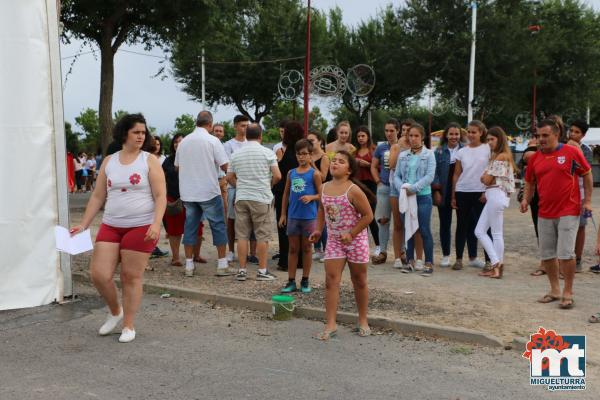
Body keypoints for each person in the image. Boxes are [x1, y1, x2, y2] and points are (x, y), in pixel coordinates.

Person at [70, 113, 166, 343]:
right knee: (99, 275)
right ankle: (115, 311)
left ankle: (128, 325)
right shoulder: (109, 161)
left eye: (144, 132)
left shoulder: (149, 160)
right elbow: (97, 196)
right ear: (125, 133)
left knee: (130, 276)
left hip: (141, 226)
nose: (141, 136)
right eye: (136, 132)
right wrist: (84, 224)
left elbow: (161, 195)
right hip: (111, 225)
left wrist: (155, 223)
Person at [520, 118, 592, 309]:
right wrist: (526, 199)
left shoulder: (571, 152)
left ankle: (568, 292)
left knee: (566, 254)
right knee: (548, 254)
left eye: (545, 135)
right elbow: (529, 181)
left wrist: (588, 201)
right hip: (544, 212)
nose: (541, 139)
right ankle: (554, 290)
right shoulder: (535, 158)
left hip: (569, 209)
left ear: (556, 134)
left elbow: (587, 173)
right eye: (538, 136)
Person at [309, 151, 373, 340]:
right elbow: (322, 209)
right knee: (331, 280)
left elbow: (368, 216)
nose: (335, 163)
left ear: (349, 170)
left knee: (359, 280)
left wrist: (351, 233)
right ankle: (330, 324)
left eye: (341, 161)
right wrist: (318, 230)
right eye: (334, 160)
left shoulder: (353, 190)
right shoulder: (323, 187)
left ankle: (363, 321)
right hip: (334, 240)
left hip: (356, 241)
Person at [175, 110, 230, 277]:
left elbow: (177, 167)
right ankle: (222, 264)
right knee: (218, 225)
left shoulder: (183, 142)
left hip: (189, 191)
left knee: (190, 227)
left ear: (196, 122)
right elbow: (225, 166)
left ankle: (189, 265)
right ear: (210, 124)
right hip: (209, 191)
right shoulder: (213, 141)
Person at [227, 123, 282, 281]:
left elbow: (229, 177)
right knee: (262, 236)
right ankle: (262, 271)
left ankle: (242, 271)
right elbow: (277, 176)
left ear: (246, 135)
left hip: (242, 197)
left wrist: (241, 186)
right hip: (261, 198)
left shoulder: (236, 154)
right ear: (260, 136)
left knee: (242, 236)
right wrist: (268, 185)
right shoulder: (267, 153)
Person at [279, 139, 321, 293]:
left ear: (311, 155)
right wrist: (283, 213)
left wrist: (312, 197)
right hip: (293, 216)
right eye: (299, 154)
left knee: (307, 248)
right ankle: (291, 281)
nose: (301, 157)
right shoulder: (291, 173)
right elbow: (285, 194)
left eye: (305, 154)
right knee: (293, 248)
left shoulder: (314, 174)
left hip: (309, 217)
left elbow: (322, 195)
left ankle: (305, 279)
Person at [394, 123, 436, 275]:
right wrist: (403, 188)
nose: (413, 138)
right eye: (410, 136)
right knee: (408, 228)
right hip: (406, 196)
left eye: (416, 135)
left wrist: (413, 188)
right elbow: (396, 175)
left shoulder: (429, 154)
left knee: (424, 229)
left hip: (423, 196)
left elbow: (429, 176)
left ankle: (429, 262)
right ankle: (409, 260)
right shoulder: (403, 155)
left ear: (422, 137)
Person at [475, 126, 516, 279]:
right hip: (495, 194)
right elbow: (485, 179)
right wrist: (486, 176)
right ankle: (497, 264)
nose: (490, 142)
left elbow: (485, 180)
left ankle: (496, 265)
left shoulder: (500, 157)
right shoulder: (500, 156)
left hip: (496, 194)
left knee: (494, 233)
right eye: (488, 140)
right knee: (481, 231)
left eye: (492, 139)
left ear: (500, 139)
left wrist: (486, 175)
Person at [451, 120, 490, 270]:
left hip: (481, 192)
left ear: (481, 132)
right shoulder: (461, 152)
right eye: (469, 131)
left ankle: (489, 260)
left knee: (485, 227)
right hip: (463, 191)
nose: (471, 135)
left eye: (474, 132)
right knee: (461, 225)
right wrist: (453, 195)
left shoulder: (488, 149)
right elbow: (456, 174)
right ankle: (459, 259)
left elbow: (492, 172)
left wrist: (486, 191)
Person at [162, 133, 206, 266]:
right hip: (174, 199)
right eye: (175, 142)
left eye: (180, 142)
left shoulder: (195, 159)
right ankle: (175, 258)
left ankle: (196, 255)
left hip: (193, 198)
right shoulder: (168, 161)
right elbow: (163, 179)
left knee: (198, 229)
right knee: (174, 230)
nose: (177, 144)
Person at [224, 115, 258, 264]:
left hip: (251, 187)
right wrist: (239, 182)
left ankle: (253, 252)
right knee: (231, 219)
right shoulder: (228, 145)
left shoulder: (252, 143)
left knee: (253, 220)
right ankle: (231, 250)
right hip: (234, 186)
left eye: (247, 125)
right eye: (242, 125)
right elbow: (228, 168)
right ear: (235, 126)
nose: (245, 128)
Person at [273, 121, 306, 272]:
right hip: (300, 191)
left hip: (283, 193)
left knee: (283, 225)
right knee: (299, 226)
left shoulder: (282, 151)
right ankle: (300, 260)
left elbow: (279, 174)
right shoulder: (302, 151)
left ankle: (285, 260)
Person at [432, 123, 463, 267]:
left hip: (461, 190)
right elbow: (434, 172)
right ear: (446, 135)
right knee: (445, 224)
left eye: (456, 134)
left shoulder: (465, 150)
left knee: (464, 225)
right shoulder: (438, 151)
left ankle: (464, 257)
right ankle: (445, 255)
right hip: (443, 190)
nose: (454, 137)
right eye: (451, 134)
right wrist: (436, 191)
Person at [370, 120, 398, 265]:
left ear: (397, 131)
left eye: (391, 130)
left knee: (401, 222)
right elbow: (373, 166)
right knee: (382, 220)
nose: (388, 133)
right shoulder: (380, 148)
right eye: (386, 130)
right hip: (384, 187)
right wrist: (378, 182)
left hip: (399, 189)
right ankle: (383, 251)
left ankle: (402, 253)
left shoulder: (404, 146)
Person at [567, 119, 593, 272]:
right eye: (571, 131)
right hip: (565, 193)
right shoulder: (562, 147)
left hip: (581, 194)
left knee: (581, 227)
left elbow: (585, 170)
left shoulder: (586, 150)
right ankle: (563, 258)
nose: (573, 134)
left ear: (582, 135)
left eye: (577, 132)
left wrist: (579, 152)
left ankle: (578, 259)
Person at [389, 118, 415, 268]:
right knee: (398, 224)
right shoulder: (395, 146)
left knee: (411, 223)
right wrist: (398, 147)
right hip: (396, 188)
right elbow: (391, 165)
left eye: (409, 131)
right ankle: (398, 256)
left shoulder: (419, 148)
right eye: (404, 130)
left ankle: (410, 255)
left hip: (412, 188)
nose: (406, 133)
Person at [354, 126, 380, 253]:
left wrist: (368, 165)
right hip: (358, 184)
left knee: (370, 216)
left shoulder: (375, 150)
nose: (360, 138)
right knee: (360, 216)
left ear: (368, 136)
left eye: (363, 136)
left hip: (371, 184)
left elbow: (379, 167)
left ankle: (378, 245)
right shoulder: (354, 151)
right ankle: (363, 245)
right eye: (358, 136)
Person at [307, 130, 330, 261]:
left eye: (312, 141)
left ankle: (327, 250)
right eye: (308, 141)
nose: (309, 143)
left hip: (322, 192)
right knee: (314, 221)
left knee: (322, 222)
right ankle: (317, 249)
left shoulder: (324, 157)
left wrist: (312, 164)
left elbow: (323, 176)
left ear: (320, 142)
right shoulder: (309, 155)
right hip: (311, 191)